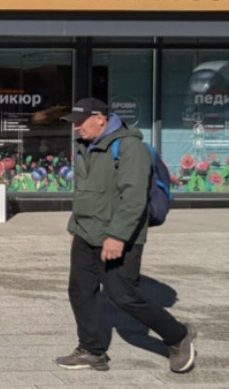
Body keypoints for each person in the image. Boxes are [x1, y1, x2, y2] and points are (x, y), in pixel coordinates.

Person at [57, 97, 196, 373]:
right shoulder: (85, 146)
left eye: (80, 122)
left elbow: (133, 198)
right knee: (80, 291)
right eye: (73, 123)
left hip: (118, 235)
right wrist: (74, 227)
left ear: (100, 118)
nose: (76, 127)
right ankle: (91, 350)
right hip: (86, 232)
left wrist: (118, 236)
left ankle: (178, 336)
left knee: (124, 295)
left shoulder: (130, 147)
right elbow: (83, 193)